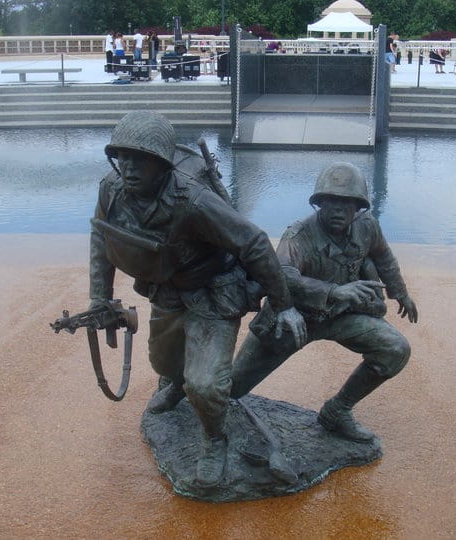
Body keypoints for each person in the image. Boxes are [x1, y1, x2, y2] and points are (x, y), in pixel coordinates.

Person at [88, 111, 306, 486]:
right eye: (122, 157)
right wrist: (100, 299)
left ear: (161, 165)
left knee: (205, 385)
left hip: (213, 293)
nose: (129, 167)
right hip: (166, 291)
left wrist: (283, 304)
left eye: (139, 159)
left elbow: (252, 241)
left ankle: (214, 439)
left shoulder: (193, 200)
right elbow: (101, 238)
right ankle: (175, 385)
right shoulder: (111, 190)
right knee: (163, 362)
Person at [231, 162, 418, 443]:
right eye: (331, 201)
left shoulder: (368, 227)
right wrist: (334, 291)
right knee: (229, 390)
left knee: (395, 349)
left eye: (347, 203)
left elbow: (383, 257)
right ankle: (178, 383)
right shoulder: (298, 235)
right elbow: (282, 277)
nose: (339, 210)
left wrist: (400, 293)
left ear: (358, 207)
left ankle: (337, 411)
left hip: (343, 316)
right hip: (293, 319)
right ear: (319, 203)